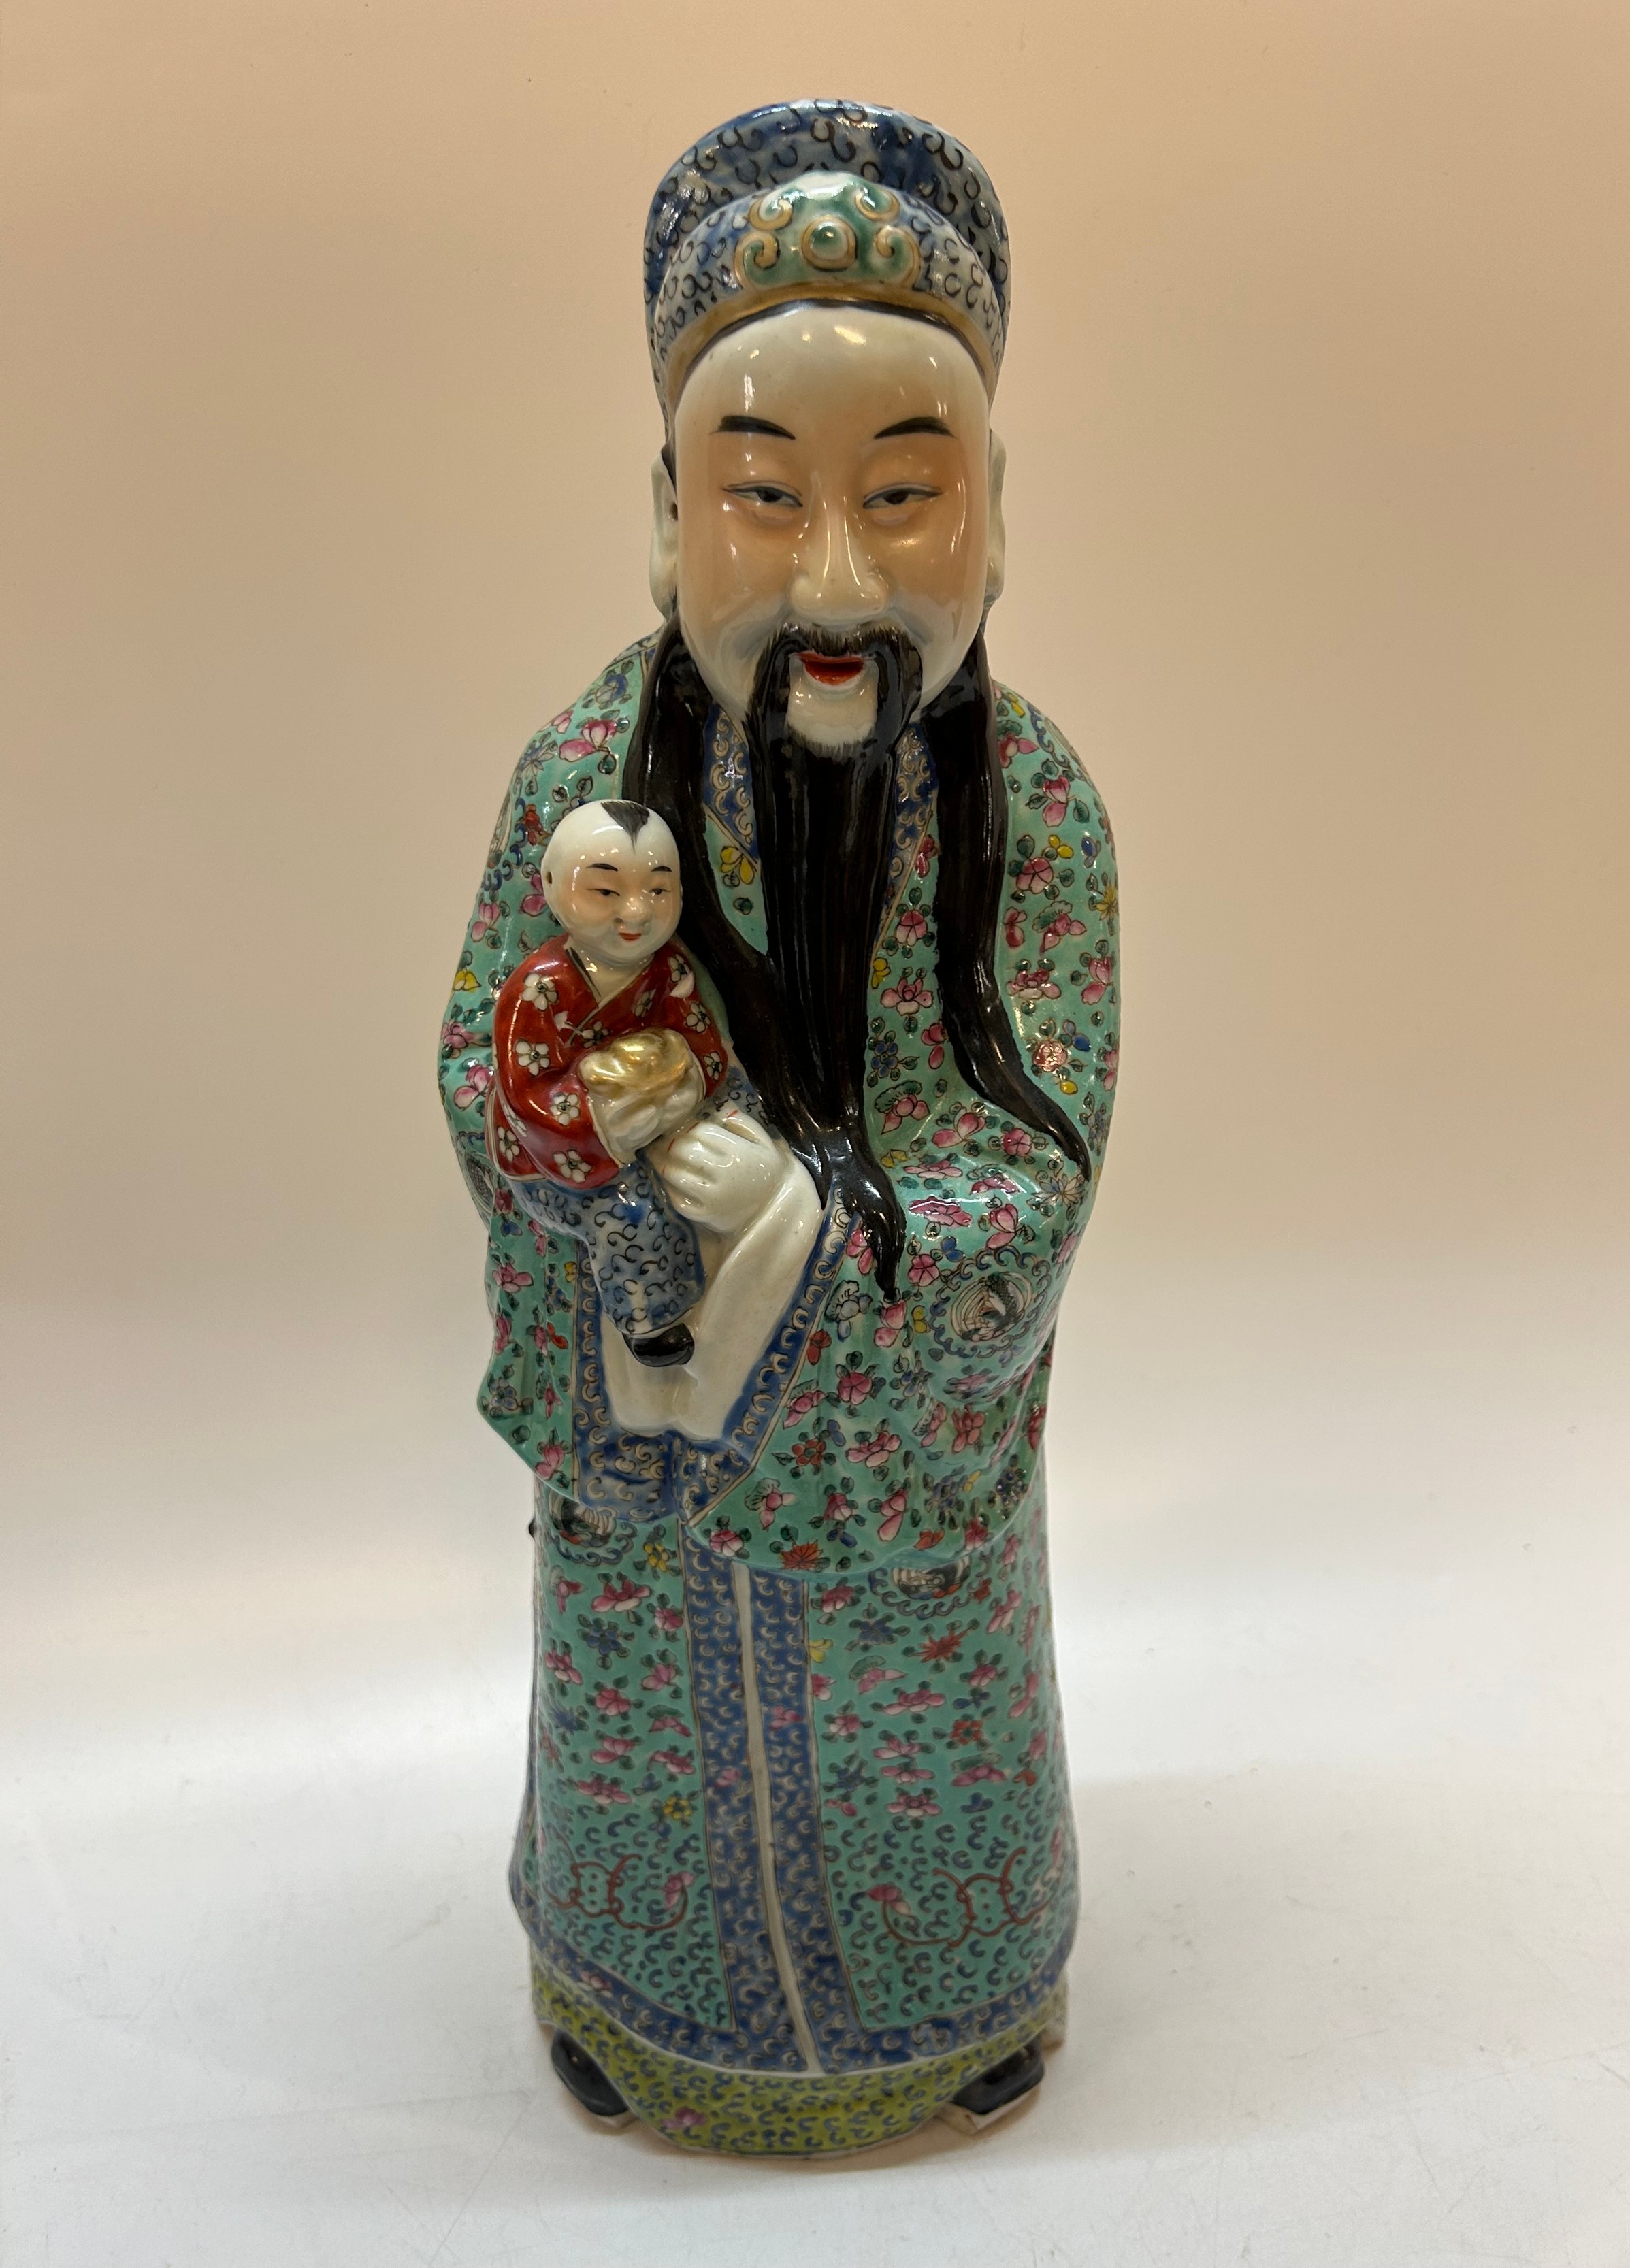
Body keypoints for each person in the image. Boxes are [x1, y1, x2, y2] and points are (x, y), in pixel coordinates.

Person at [440, 100, 1120, 2156]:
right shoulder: (583, 773)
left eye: (902, 497)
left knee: (927, 1708)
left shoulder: (1034, 810)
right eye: (762, 496)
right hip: (656, 1452)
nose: (835, 577)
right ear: (668, 516)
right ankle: (625, 1991)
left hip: (899, 1475)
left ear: (994, 510)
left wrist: (825, 1221)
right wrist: (600, 1165)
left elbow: (1041, 1150)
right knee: (643, 1704)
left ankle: (956, 2003)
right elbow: (483, 1059)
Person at [488, 800, 729, 1367]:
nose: (637, 912)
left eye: (658, 890)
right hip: (558, 1152)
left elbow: (704, 1047)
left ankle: (732, 1291)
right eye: (606, 890)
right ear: (552, 885)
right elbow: (528, 1097)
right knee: (629, 1211)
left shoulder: (667, 969)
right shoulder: (538, 989)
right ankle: (651, 1324)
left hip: (659, 1110)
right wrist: (610, 1115)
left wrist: (675, 1078)